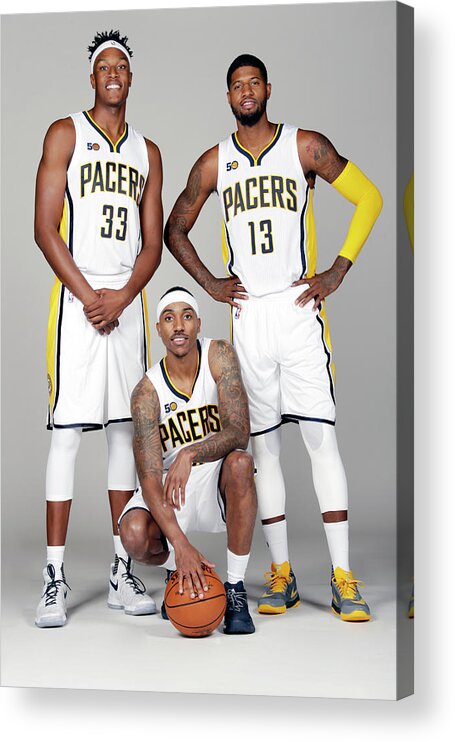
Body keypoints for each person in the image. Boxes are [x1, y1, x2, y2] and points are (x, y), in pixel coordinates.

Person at [164, 54, 383, 621]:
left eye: (253, 82)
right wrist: (210, 282)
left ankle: (342, 576)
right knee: (263, 450)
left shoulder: (304, 146)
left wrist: (338, 269)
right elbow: (175, 228)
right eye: (236, 85)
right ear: (228, 95)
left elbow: (371, 198)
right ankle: (281, 573)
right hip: (249, 318)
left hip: (297, 307)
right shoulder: (214, 162)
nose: (245, 91)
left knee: (320, 440)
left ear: (267, 88)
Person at [34, 30, 163, 628]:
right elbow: (44, 228)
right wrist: (91, 297)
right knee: (65, 434)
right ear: (92, 78)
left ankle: (120, 571)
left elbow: (154, 243)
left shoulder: (148, 151)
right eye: (103, 67)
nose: (113, 74)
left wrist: (124, 296)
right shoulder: (65, 132)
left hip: (127, 305)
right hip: (79, 304)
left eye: (122, 67)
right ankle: (54, 576)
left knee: (121, 436)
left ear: (131, 79)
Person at [118, 286, 257, 634]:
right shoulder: (146, 392)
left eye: (186, 316)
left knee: (241, 463)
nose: (178, 325)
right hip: (169, 486)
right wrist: (181, 546)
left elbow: (240, 431)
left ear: (198, 324)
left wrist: (190, 452)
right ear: (159, 330)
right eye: (169, 318)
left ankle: (235, 589)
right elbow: (149, 478)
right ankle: (177, 573)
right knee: (132, 534)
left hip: (213, 477)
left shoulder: (219, 354)